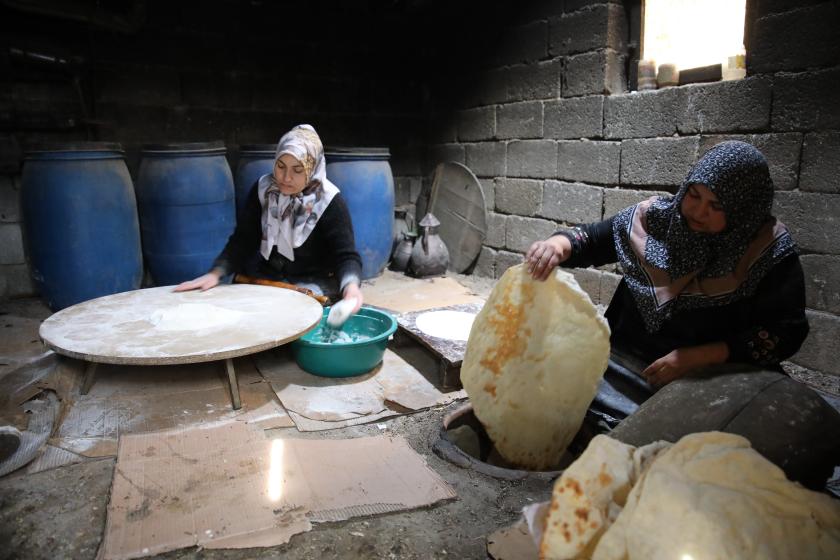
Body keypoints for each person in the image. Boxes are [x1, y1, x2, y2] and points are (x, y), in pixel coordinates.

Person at [525, 141, 809, 426]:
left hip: (711, 377)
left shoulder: (766, 251)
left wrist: (700, 357)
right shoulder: (655, 219)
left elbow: (785, 332)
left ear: (743, 209)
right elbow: (592, 240)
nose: (698, 212)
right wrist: (557, 245)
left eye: (716, 206)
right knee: (552, 391)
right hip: (624, 362)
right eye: (693, 195)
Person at [176, 124, 364, 312]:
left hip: (312, 283)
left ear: (312, 169)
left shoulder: (328, 201)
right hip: (268, 277)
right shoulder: (264, 191)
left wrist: (351, 286)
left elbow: (345, 255)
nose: (286, 178)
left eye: (297, 170)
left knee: (295, 314)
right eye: (280, 166)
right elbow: (243, 240)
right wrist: (216, 273)